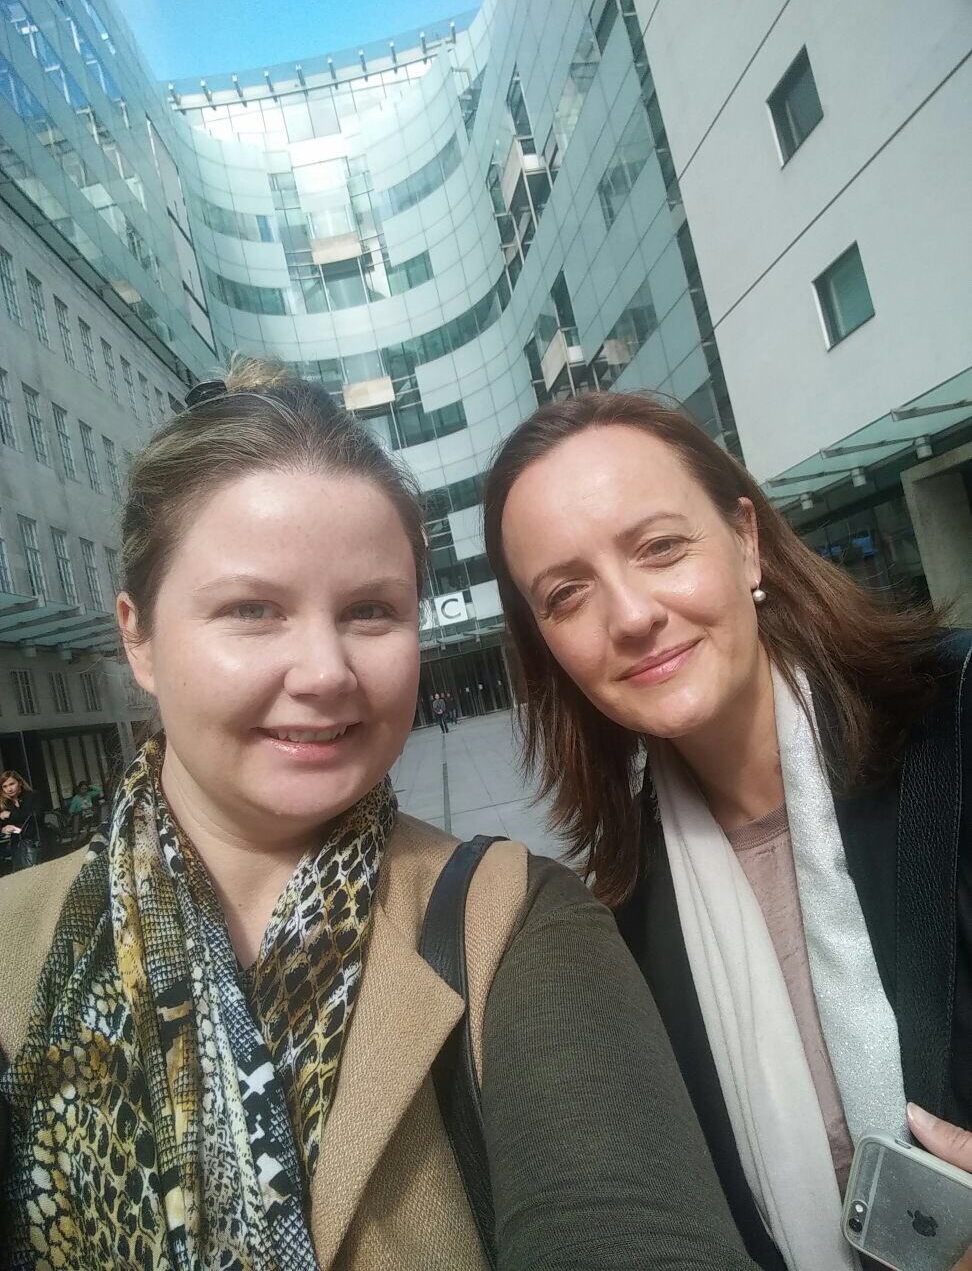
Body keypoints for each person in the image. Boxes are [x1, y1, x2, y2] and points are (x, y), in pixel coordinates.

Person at [0, 365, 758, 1271]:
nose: (324, 671)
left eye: (370, 612)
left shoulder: (517, 928)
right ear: (140, 636)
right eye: (252, 611)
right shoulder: (17, 946)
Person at [483, 390, 972, 1271]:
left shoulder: (960, 729)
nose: (630, 615)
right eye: (566, 594)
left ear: (745, 538)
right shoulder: (617, 922)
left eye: (660, 547)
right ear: (546, 645)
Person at [0, 771, 41, 871]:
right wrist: (3, 829)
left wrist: (10, 815)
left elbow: (35, 816)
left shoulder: (32, 796)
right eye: (5, 786)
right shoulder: (4, 804)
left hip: (37, 841)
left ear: (20, 783)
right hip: (17, 845)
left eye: (12, 784)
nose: (9, 789)